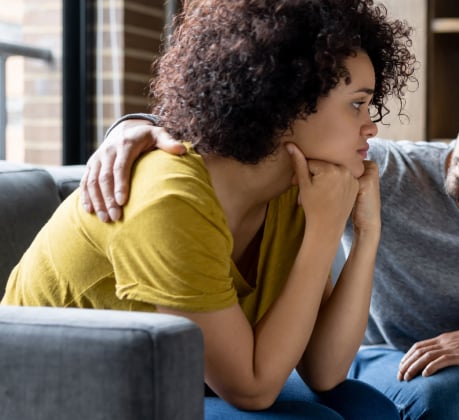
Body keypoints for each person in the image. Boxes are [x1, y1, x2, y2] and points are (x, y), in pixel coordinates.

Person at [83, 48, 459, 419]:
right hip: (374, 360)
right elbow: (259, 131)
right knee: (447, 393)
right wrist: (138, 126)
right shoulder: (385, 170)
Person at [2, 0, 416, 418]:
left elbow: (324, 371)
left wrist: (366, 235)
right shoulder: (170, 198)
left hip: (168, 377)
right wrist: (324, 231)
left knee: (366, 408)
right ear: (286, 101)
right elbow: (252, 390)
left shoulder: (297, 189)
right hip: (55, 394)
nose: (372, 126)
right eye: (356, 104)